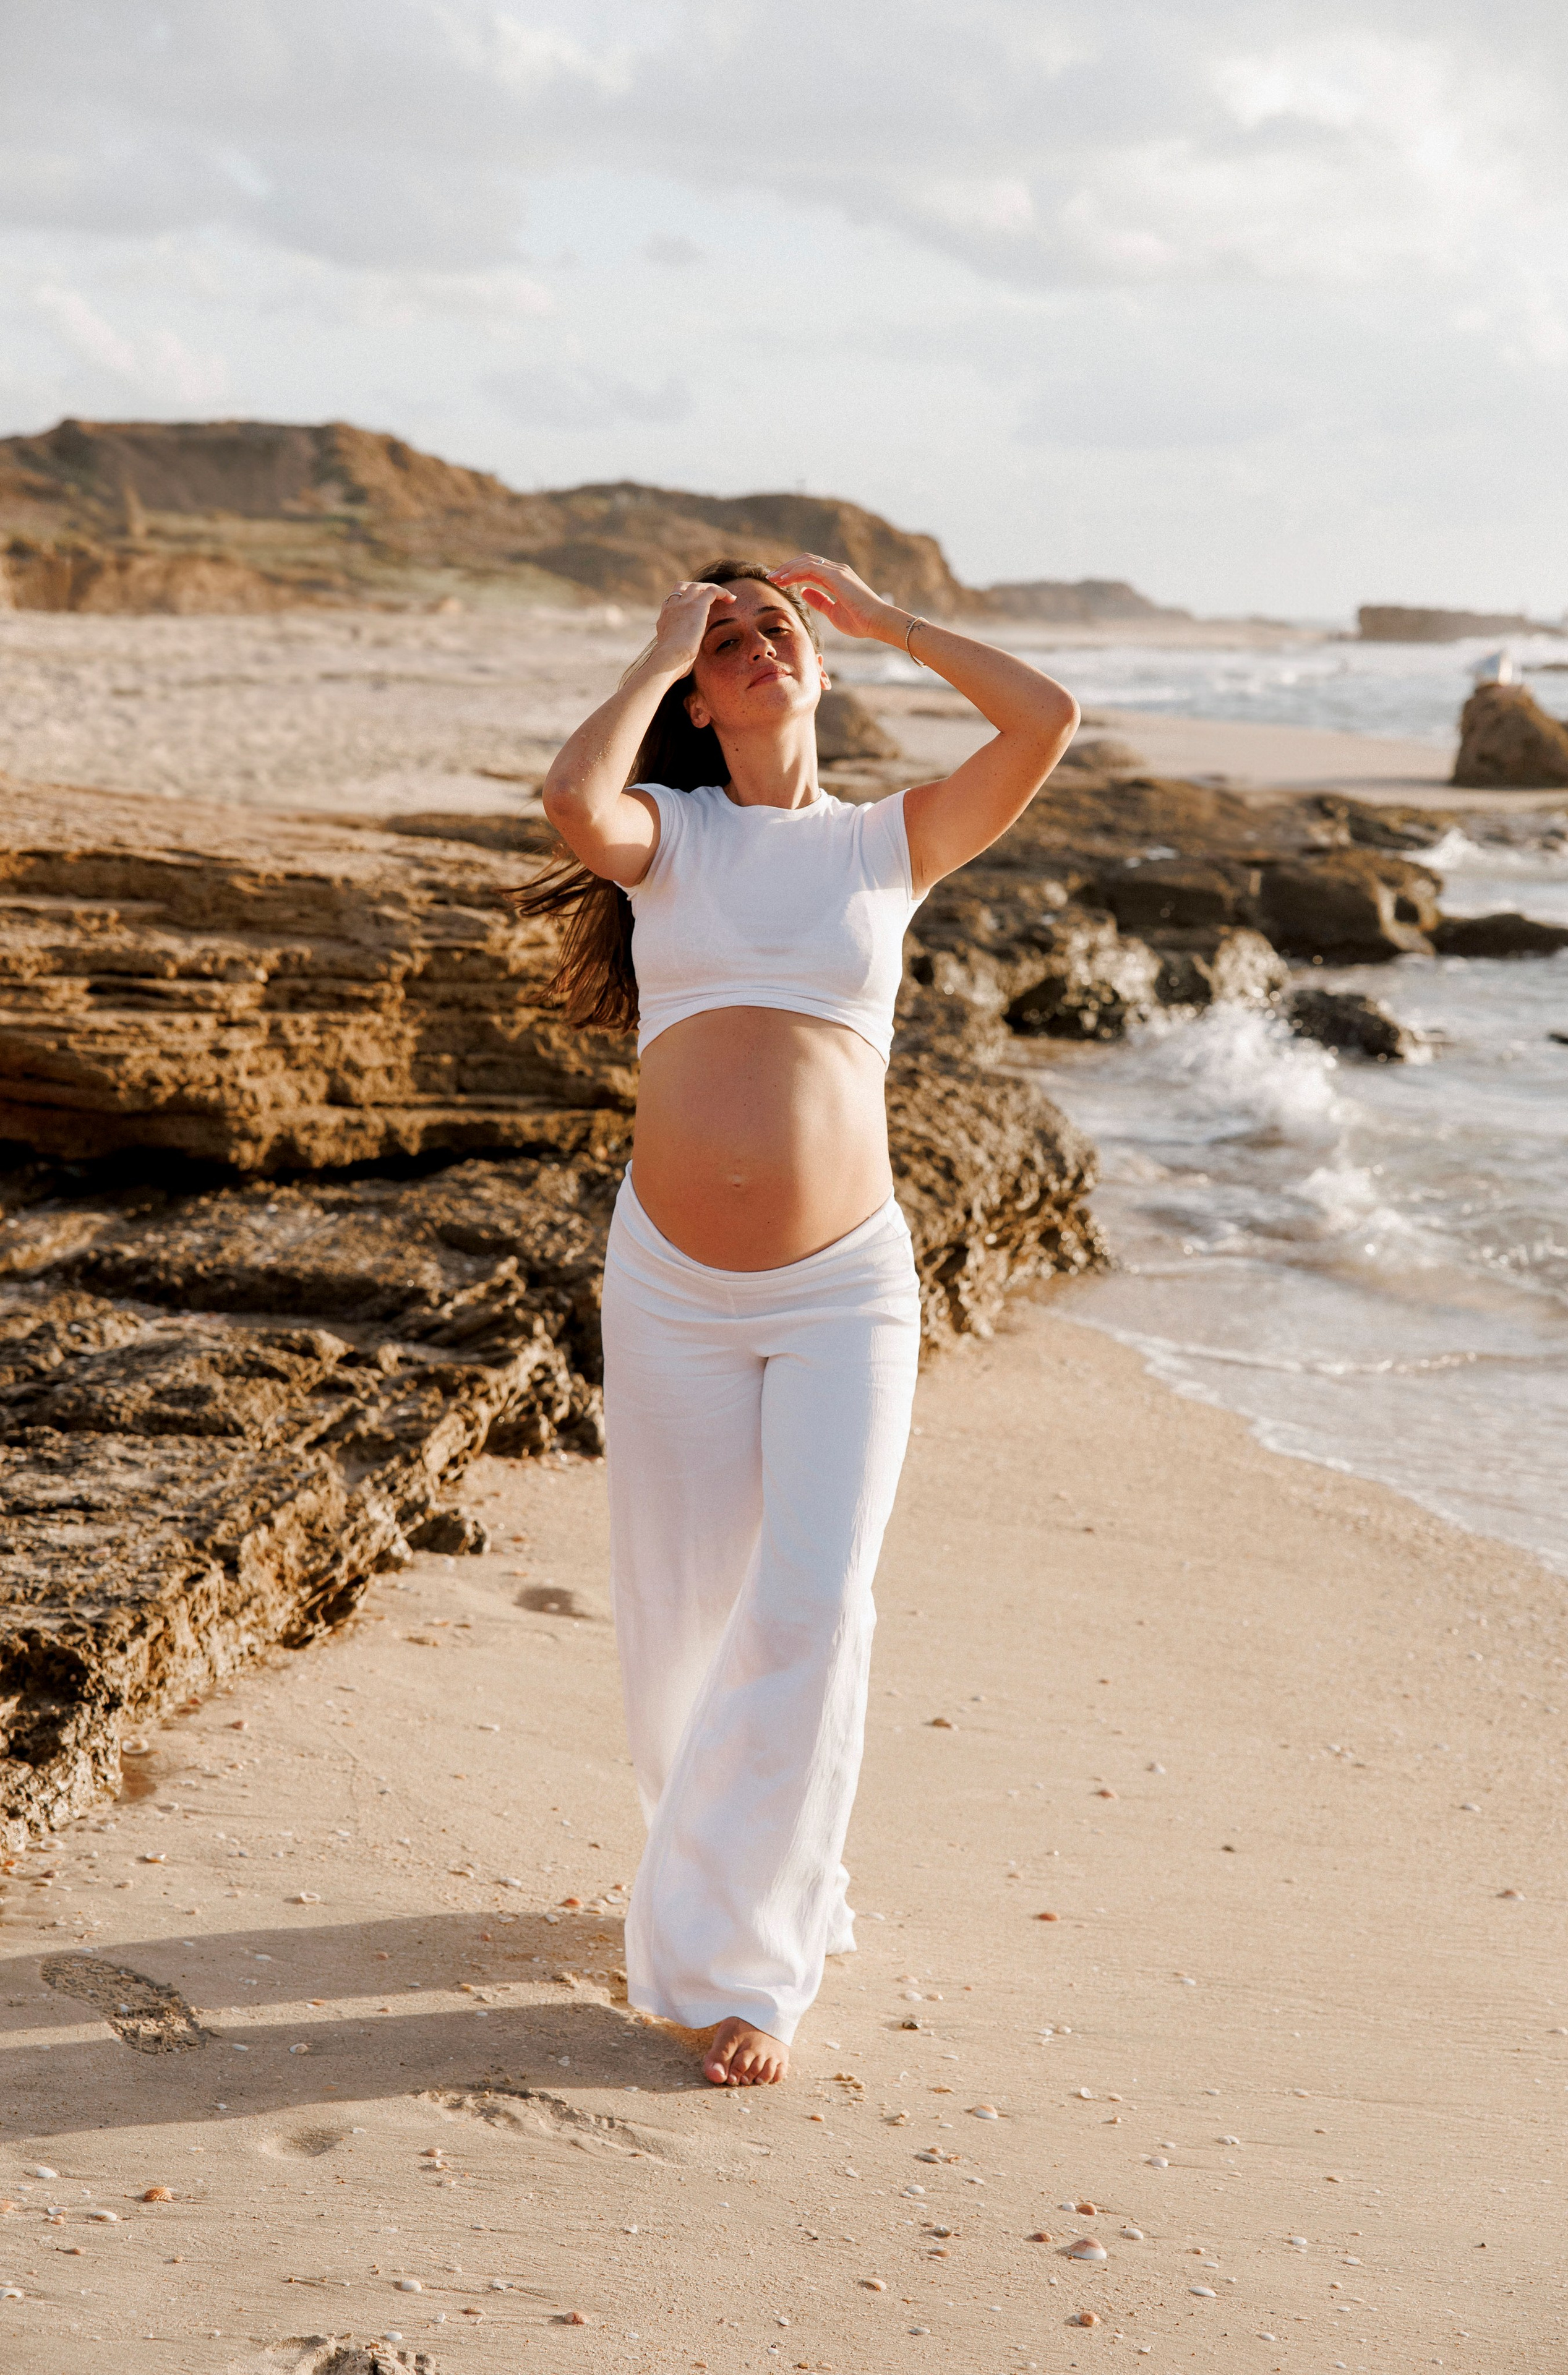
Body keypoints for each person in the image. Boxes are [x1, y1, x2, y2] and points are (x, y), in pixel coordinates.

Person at [513, 554, 1077, 2086]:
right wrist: (655, 648)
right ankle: (743, 1881)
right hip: (674, 1289)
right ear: (697, 693)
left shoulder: (885, 843)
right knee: (682, 1622)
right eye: (728, 639)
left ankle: (744, 1971)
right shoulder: (672, 835)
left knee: (816, 1602)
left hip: (845, 1289)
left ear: (814, 662)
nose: (758, 647)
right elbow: (575, 803)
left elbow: (1044, 719)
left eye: (775, 628)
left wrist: (888, 622)